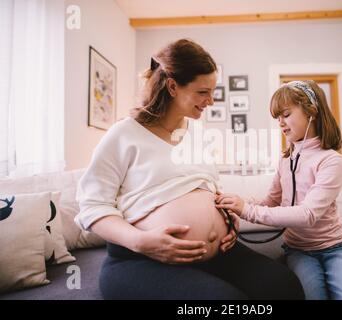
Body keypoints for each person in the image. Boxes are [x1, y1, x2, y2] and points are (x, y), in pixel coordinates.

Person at [75, 39, 304, 300]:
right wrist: (141, 241)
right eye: (202, 92)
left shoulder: (198, 132)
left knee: (285, 288)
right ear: (172, 86)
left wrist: (228, 218)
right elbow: (91, 207)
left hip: (219, 252)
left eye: (213, 91)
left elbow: (206, 185)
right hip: (141, 259)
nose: (211, 100)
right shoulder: (124, 134)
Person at [215, 80, 342, 300]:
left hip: (337, 247)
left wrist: (247, 210)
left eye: (286, 114)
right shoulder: (286, 158)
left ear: (311, 111)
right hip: (298, 250)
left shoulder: (331, 161)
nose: (280, 122)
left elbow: (308, 214)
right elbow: (272, 200)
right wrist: (237, 203)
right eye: (277, 117)